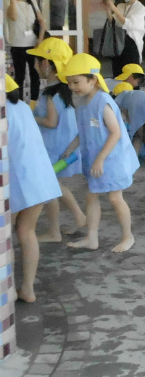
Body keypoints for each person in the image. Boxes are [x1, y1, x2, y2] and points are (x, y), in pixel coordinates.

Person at [59, 53, 139, 253]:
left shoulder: (102, 101)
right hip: (95, 159)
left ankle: (128, 236)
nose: (72, 87)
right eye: (69, 83)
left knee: (114, 198)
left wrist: (100, 159)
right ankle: (91, 238)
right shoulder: (83, 103)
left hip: (112, 159)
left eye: (76, 82)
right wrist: (70, 148)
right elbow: (84, 131)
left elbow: (115, 132)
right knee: (91, 196)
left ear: (93, 79)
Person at [6, 75, 62, 302]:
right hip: (39, 177)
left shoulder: (4, 113)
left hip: (18, 181)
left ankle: (7, 289)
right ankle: (27, 288)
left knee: (5, 238)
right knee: (26, 232)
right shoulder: (20, 107)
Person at [29, 38, 87, 242]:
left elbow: (51, 122)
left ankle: (60, 228)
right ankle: (70, 221)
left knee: (51, 186)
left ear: (46, 63)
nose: (36, 65)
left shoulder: (50, 93)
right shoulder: (65, 89)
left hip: (54, 146)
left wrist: (30, 116)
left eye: (37, 61)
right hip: (63, 144)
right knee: (52, 187)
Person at [5, 0, 46, 101]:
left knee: (35, 75)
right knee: (20, 76)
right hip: (18, 45)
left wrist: (40, 39)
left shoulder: (31, 1)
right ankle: (20, 102)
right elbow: (13, 17)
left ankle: (34, 102)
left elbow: (41, 21)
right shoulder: (7, 2)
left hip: (33, 43)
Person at [103, 0, 145, 78]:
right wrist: (108, 10)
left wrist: (115, 9)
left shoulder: (140, 8)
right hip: (118, 43)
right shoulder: (121, 6)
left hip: (131, 43)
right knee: (117, 73)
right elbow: (113, 22)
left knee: (131, 75)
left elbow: (129, 24)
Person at [112, 82, 145, 156]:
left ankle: (133, 159)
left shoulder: (119, 98)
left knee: (137, 135)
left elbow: (127, 116)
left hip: (138, 107)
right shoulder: (135, 93)